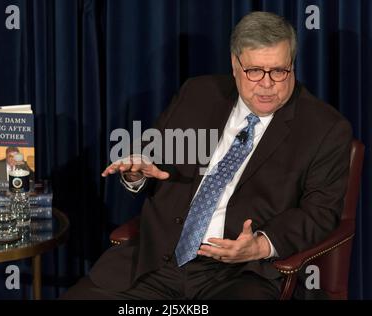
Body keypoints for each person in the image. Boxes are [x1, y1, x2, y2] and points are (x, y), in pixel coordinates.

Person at [62, 11, 352, 299]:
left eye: (279, 71)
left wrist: (261, 245)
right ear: (235, 64)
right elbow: (154, 158)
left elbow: (320, 213)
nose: (267, 84)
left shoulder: (324, 128)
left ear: (292, 65)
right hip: (157, 263)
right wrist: (138, 170)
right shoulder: (198, 94)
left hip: (241, 274)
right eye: (254, 71)